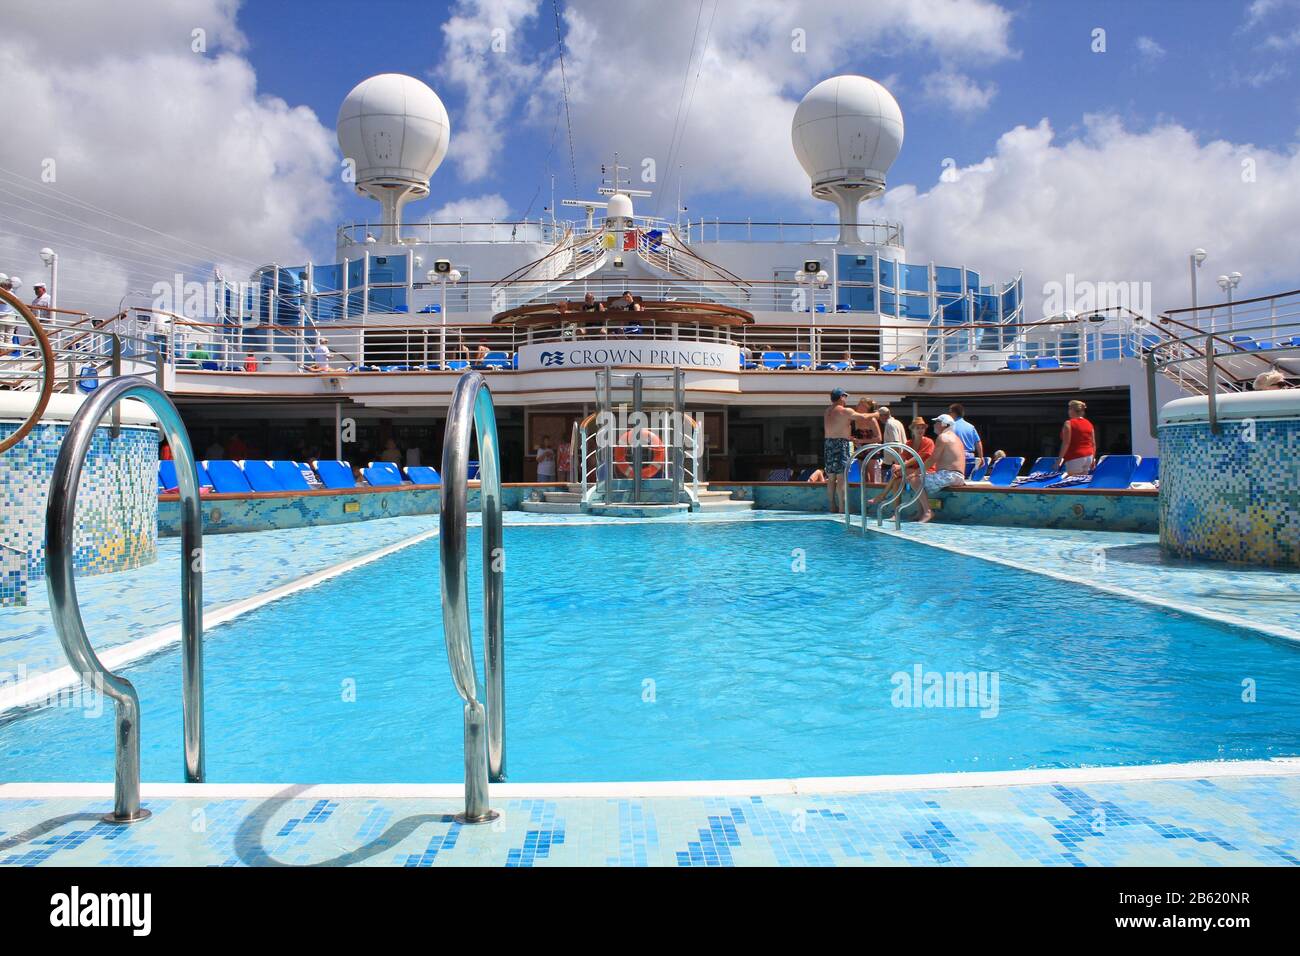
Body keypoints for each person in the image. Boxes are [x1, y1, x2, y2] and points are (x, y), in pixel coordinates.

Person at [823, 387, 880, 512]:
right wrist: (876, 413)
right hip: (840, 444)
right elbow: (863, 417)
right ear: (841, 397)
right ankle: (843, 509)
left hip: (828, 444)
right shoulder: (845, 411)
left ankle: (832, 506)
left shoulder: (827, 411)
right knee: (841, 477)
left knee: (831, 478)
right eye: (845, 397)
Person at [907, 413, 966, 523]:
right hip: (958, 476)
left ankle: (928, 511)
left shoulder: (943, 437)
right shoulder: (956, 438)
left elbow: (933, 459)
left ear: (943, 424)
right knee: (920, 480)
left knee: (914, 480)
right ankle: (920, 512)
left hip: (949, 475)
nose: (934, 425)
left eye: (936, 422)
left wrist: (916, 473)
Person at [867, 416, 933, 511]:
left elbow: (918, 457)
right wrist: (896, 464)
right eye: (917, 428)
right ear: (912, 429)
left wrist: (900, 466)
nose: (920, 430)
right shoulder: (909, 443)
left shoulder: (928, 442)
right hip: (912, 472)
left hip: (926, 471)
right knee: (896, 482)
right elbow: (902, 456)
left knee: (898, 472)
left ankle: (882, 495)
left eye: (922, 428)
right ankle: (896, 512)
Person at [1057, 399, 1096, 475]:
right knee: (1081, 483)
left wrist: (1059, 459)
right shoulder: (1089, 423)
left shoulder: (1068, 423)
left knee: (1073, 483)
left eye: (1069, 409)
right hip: (1089, 456)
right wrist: (1093, 459)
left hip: (1075, 456)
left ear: (1071, 410)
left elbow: (1066, 443)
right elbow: (1093, 444)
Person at [947, 403, 984, 477]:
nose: (948, 414)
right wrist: (981, 457)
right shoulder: (971, 427)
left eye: (949, 412)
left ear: (954, 413)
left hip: (956, 459)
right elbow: (978, 442)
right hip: (970, 459)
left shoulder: (950, 427)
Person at [851, 398, 883, 482]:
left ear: (867, 408)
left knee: (872, 477)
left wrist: (861, 441)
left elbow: (879, 438)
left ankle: (872, 494)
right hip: (860, 450)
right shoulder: (856, 420)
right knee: (863, 476)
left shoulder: (871, 420)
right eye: (859, 404)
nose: (858, 406)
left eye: (862, 405)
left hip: (871, 450)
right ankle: (864, 494)